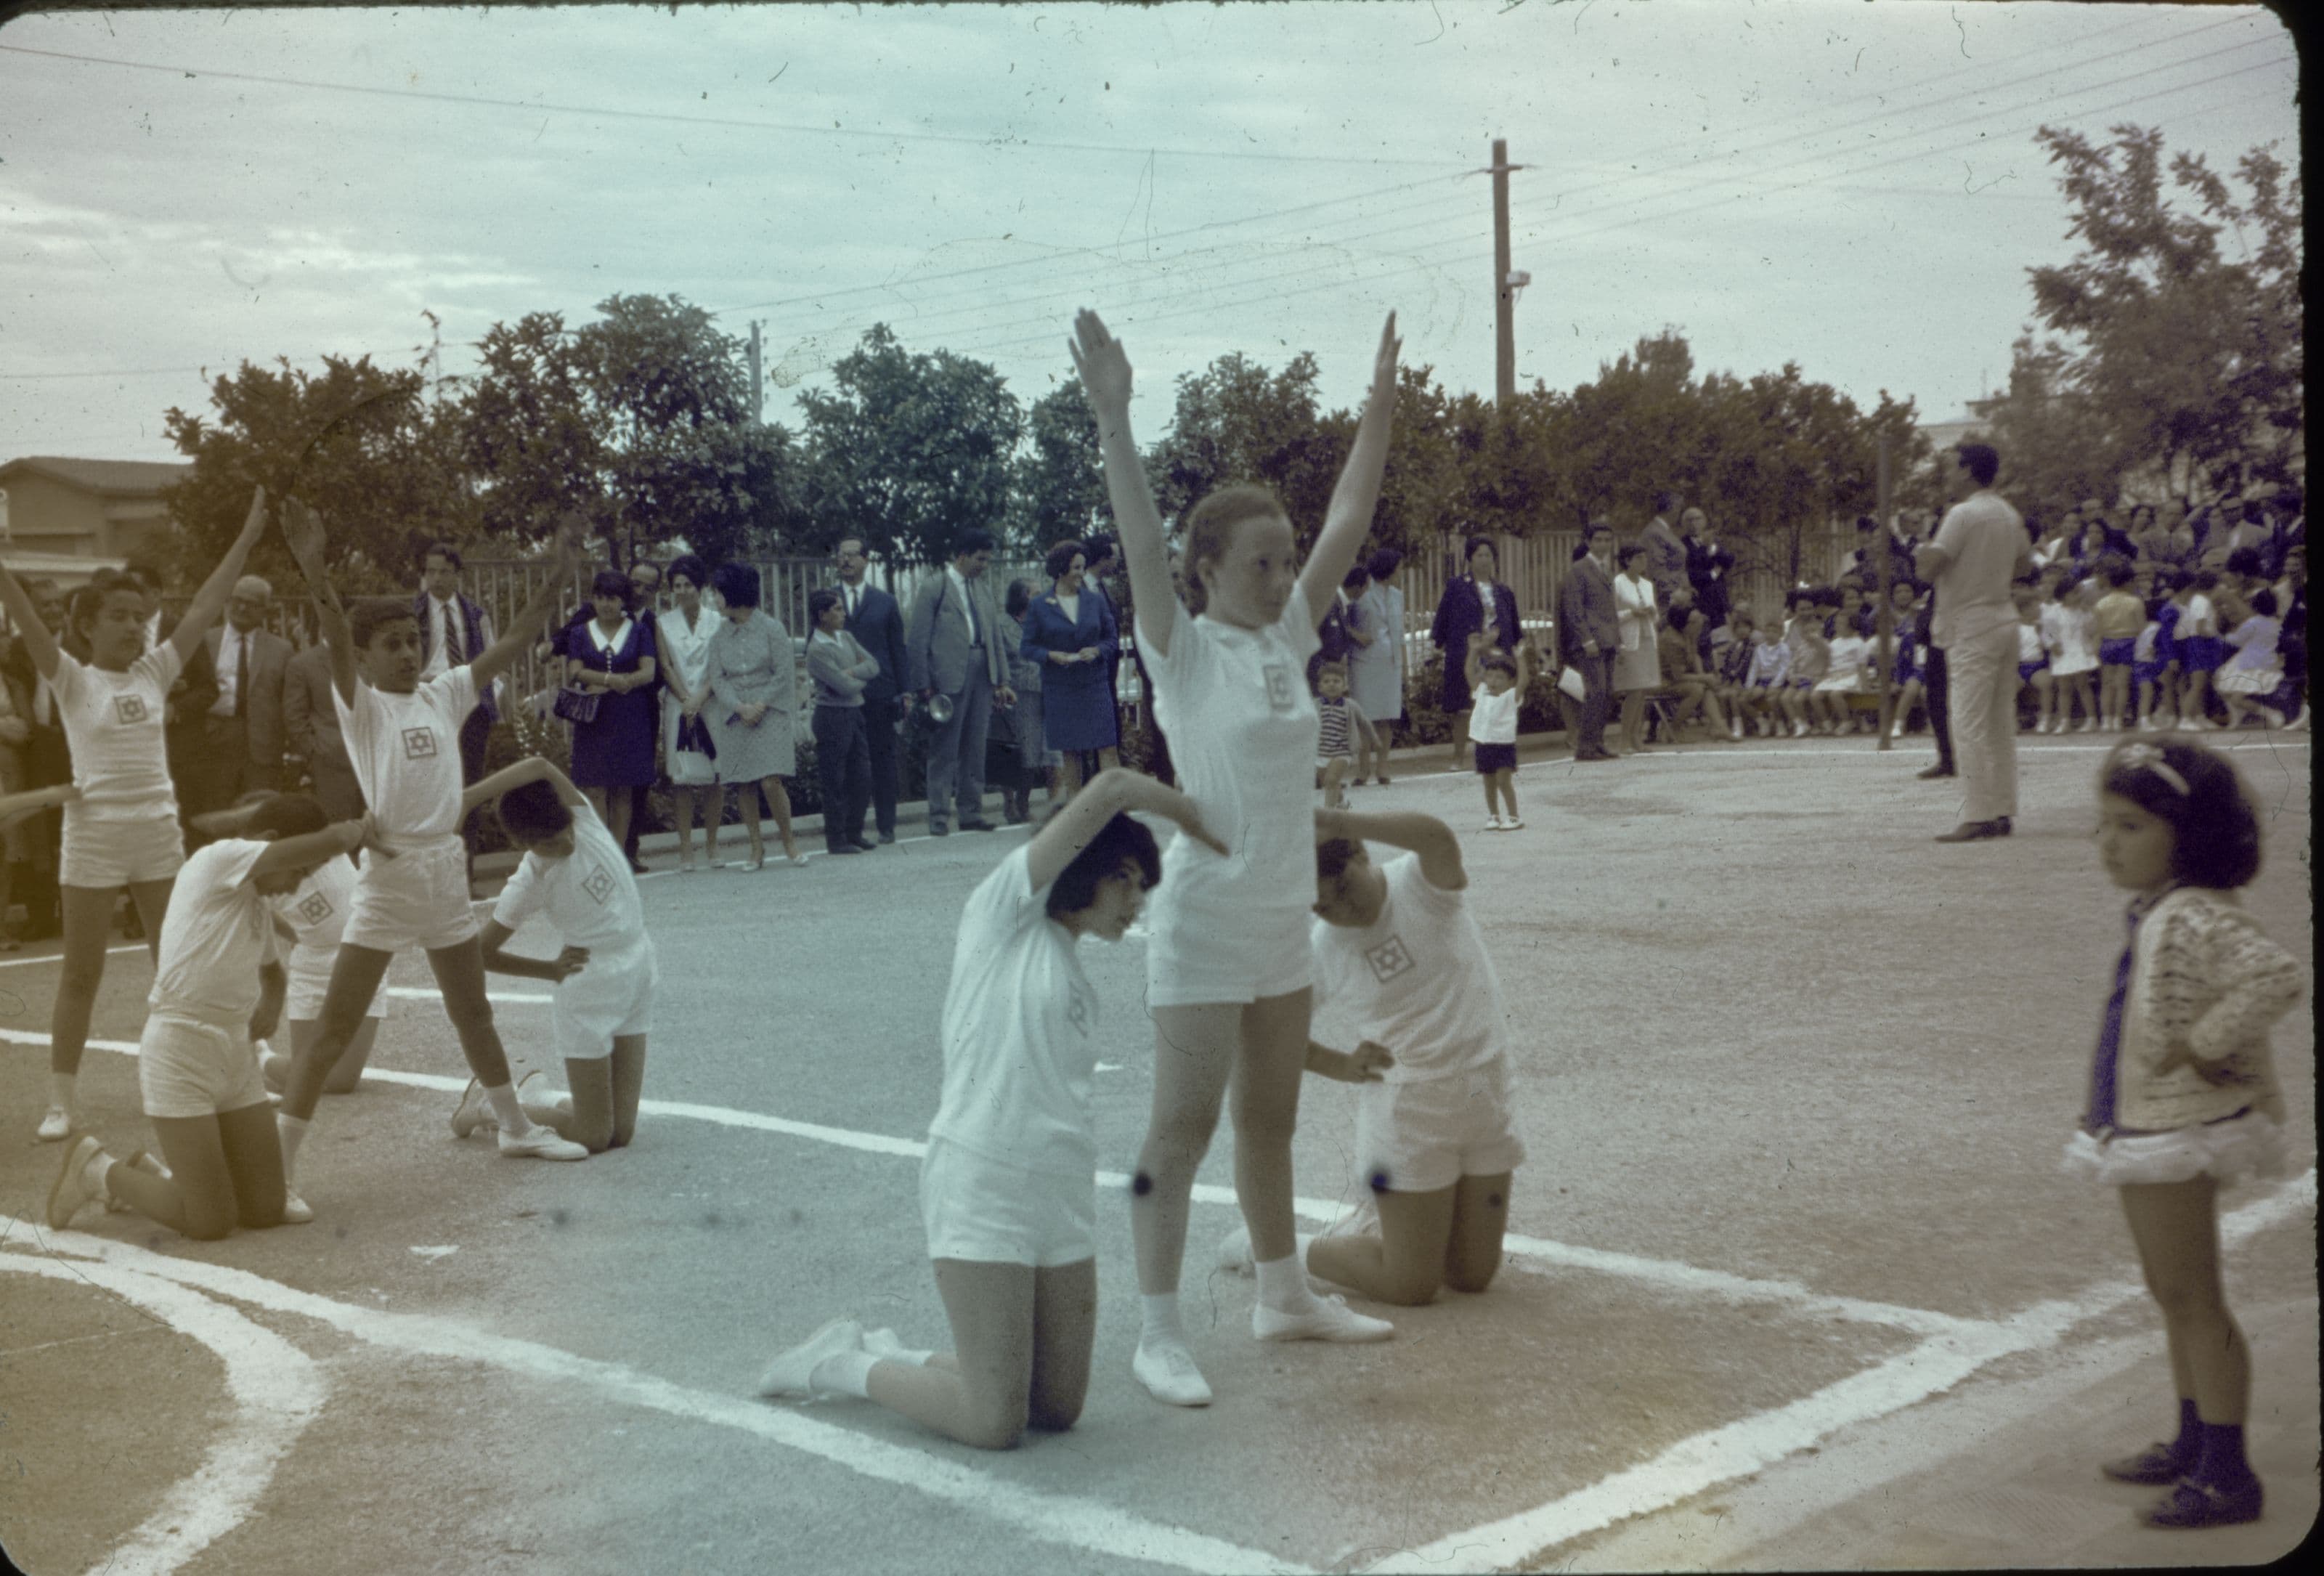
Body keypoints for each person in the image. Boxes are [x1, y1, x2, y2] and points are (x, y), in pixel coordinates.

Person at [1074, 306, 1402, 1409]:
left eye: (1282, 559)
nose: (1281, 576)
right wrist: (1116, 417)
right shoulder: (1182, 652)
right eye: (1260, 562)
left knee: (1273, 1122)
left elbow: (1350, 520)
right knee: (1182, 1124)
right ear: (1205, 569)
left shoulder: (1289, 639)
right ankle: (1157, 1329)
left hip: (1280, 923)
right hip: (1206, 920)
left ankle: (1283, 1292)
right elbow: (1133, 537)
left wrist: (1378, 411)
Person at [755, 770, 1224, 1447]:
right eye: (1124, 878)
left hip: (1059, 1195)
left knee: (1056, 1409)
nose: (1135, 902)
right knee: (993, 1421)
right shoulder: (1001, 916)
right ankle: (835, 1363)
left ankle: (901, 1354)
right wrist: (1194, 815)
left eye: (1143, 888)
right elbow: (1114, 786)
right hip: (983, 1183)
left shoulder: (1077, 979)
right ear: (1081, 862)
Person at [275, 497, 590, 1215]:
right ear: (362, 656)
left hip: (444, 869)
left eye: (412, 639)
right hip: (387, 880)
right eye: (390, 643)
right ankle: (280, 1166)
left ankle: (513, 1126)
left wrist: (557, 569)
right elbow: (328, 621)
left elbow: (513, 638)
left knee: (472, 1009)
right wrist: (314, 564)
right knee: (331, 1030)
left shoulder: (446, 692)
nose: (407, 651)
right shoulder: (361, 705)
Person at [2064, 738, 2303, 1530]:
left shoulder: (2193, 911)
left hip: (2175, 1131)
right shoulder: (2158, 908)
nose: (2106, 843)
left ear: (2185, 832)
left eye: (2128, 826)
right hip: (2143, 1127)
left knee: (2192, 1298)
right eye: (2102, 824)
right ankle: (2193, 1436)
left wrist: (2201, 1043)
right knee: (2172, 1293)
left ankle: (2226, 1471)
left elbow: (2276, 974)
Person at [5, 490, 270, 1141]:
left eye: (138, 616)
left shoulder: (155, 672)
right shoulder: (70, 679)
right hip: (93, 837)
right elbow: (25, 617)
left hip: (156, 835)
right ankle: (61, 1098)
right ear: (87, 626)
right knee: (81, 972)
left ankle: (218, 1067)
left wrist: (247, 535)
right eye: (117, 617)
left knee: (178, 960)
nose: (132, 626)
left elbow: (208, 600)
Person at [45, 792, 389, 1240]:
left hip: (235, 1058)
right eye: (300, 872)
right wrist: (359, 830)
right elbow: (310, 847)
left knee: (265, 1209)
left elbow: (273, 971)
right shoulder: (217, 860)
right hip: (180, 1053)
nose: (297, 885)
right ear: (267, 842)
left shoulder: (253, 903)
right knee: (211, 1222)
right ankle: (96, 1170)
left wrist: (272, 1001)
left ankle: (151, 1174)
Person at [1216, 807, 1524, 1307]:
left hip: (1484, 1091)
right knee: (1411, 1285)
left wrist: (1335, 820)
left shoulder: (1421, 885)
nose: (1342, 910)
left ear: (1359, 854)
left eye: (1342, 887)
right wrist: (1337, 1064)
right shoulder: (1325, 947)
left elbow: (1438, 836)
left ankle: (1369, 1226)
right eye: (1322, 907)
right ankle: (1275, 1250)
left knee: (1471, 1276)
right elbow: (1264, 1032)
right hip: (1409, 1114)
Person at [466, 756, 658, 1153]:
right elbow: (481, 952)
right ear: (524, 845)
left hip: (637, 968)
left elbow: (537, 765)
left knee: (621, 1134)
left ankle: (537, 1100)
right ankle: (494, 1110)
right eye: (550, 843)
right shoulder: (530, 879)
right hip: (590, 990)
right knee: (593, 1137)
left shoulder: (582, 817)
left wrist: (468, 798)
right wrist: (550, 970)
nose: (565, 843)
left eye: (563, 831)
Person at [1916, 443, 2032, 842]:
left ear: (1967, 471)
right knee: (2000, 721)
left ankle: (1980, 813)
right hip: (2003, 616)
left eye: (1952, 468)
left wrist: (1922, 551)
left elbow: (1930, 569)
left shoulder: (1962, 514)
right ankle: (2001, 810)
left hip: (1970, 622)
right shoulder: (2008, 512)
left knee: (1966, 721)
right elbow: (2025, 565)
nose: (1948, 475)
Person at [906, 531, 1015, 836]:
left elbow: (995, 636)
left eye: (988, 560)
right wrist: (924, 685)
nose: (984, 565)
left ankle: (971, 812)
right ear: (962, 555)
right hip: (947, 677)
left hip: (982, 673)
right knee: (945, 748)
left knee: (976, 746)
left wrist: (1002, 680)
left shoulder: (983, 589)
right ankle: (939, 816)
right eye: (980, 559)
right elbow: (918, 640)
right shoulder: (934, 587)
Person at [413, 540, 502, 893]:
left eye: (445, 572)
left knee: (468, 789)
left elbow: (493, 659)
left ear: (458, 575)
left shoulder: (476, 615)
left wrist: (490, 697)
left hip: (467, 704)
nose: (437, 579)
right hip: (426, 700)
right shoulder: (412, 612)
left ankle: (464, 877)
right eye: (431, 571)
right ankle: (431, 880)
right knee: (428, 789)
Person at [704, 561, 805, 870]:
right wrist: (739, 707)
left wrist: (760, 705)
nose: (716, 601)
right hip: (736, 714)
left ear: (735, 593)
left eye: (719, 594)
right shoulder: (719, 637)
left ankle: (789, 842)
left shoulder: (773, 629)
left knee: (771, 780)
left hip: (769, 712)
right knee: (744, 783)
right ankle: (756, 848)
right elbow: (718, 678)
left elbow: (783, 673)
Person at [562, 569, 661, 853]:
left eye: (613, 598)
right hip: (594, 717)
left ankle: (617, 856)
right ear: (593, 599)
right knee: (594, 788)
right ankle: (600, 853)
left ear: (623, 601)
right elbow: (575, 671)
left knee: (623, 789)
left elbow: (649, 671)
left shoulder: (639, 631)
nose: (607, 604)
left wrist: (624, 682)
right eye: (601, 597)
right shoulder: (581, 632)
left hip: (630, 715)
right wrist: (608, 679)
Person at [1021, 539, 1123, 795]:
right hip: (1062, 688)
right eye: (1076, 568)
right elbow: (1028, 647)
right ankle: (1076, 809)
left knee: (1107, 747)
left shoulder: (1095, 601)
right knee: (1071, 751)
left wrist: (1098, 651)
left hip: (1094, 684)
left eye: (1082, 567)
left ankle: (1116, 806)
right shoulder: (1039, 605)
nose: (1081, 573)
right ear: (1060, 569)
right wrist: (1051, 655)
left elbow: (1112, 639)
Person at [187, 574, 293, 813]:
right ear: (227, 602)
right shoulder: (204, 641)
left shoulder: (282, 649)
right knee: (215, 810)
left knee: (260, 813)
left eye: (252, 603)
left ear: (265, 610)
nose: (242, 607)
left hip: (263, 746)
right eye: (237, 600)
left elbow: (288, 701)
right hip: (215, 739)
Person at [834, 537, 912, 844]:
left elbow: (898, 650)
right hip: (842, 693)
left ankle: (886, 826)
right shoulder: (828, 600)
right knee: (847, 761)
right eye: (841, 555)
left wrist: (905, 691)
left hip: (879, 692)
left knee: (882, 760)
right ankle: (851, 828)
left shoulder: (885, 602)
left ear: (866, 560)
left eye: (852, 555)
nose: (846, 561)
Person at [654, 555, 724, 872]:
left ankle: (712, 847)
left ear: (700, 587)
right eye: (676, 586)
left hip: (711, 703)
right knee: (681, 778)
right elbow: (666, 665)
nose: (682, 591)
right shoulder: (663, 623)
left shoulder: (718, 621)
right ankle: (686, 851)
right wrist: (685, 699)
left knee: (714, 776)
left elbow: (719, 666)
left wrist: (700, 697)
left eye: (688, 585)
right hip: (678, 705)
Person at [1429, 535, 1520, 772]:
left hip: (1497, 655)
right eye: (1479, 555)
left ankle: (1497, 753)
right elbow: (1444, 617)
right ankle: (1458, 756)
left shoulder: (1503, 590)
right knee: (1463, 706)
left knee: (1498, 703)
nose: (1484, 560)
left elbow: (1513, 623)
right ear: (1470, 558)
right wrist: (1438, 644)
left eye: (1488, 555)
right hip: (1467, 652)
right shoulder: (1458, 586)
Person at [804, 587, 881, 853]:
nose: (843, 613)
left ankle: (854, 831)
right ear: (822, 615)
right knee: (834, 779)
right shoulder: (817, 649)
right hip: (832, 716)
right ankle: (837, 838)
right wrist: (855, 679)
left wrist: (850, 673)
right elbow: (843, 686)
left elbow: (874, 665)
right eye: (837, 609)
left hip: (854, 713)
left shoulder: (846, 638)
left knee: (862, 776)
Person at [1558, 522, 1620, 761]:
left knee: (1607, 693)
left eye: (1607, 539)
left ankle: (1598, 741)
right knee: (1596, 692)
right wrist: (1586, 639)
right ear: (1589, 542)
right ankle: (1585, 745)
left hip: (1608, 639)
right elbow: (1574, 609)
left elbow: (1609, 608)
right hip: (1592, 641)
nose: (1604, 544)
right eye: (1599, 540)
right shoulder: (1579, 570)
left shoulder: (1606, 569)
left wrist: (1617, 638)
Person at [283, 638, 364, 821]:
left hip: (376, 757)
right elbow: (295, 717)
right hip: (332, 762)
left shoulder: (369, 656)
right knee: (341, 827)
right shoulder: (303, 664)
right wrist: (316, 750)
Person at [999, 579, 1058, 825]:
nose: (1041, 596)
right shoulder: (1003, 625)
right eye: (1035, 593)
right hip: (1020, 694)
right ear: (1022, 597)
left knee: (1051, 753)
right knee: (1025, 755)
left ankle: (1051, 806)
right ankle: (1014, 802)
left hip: (1050, 690)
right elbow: (1000, 657)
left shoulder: (1045, 620)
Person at [1351, 548, 1406, 782]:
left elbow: (1400, 632)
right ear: (1388, 569)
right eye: (1399, 568)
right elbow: (1350, 625)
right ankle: (1363, 769)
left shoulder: (1397, 596)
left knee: (1387, 717)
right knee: (1366, 717)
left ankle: (1383, 766)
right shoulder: (1363, 594)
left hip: (1390, 662)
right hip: (1365, 663)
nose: (1401, 573)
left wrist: (1404, 665)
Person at [1464, 638, 1527, 829]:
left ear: (1510, 681)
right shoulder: (1481, 691)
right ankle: (1493, 815)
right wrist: (1473, 651)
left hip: (1503, 745)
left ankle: (1514, 817)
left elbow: (1524, 680)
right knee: (1488, 782)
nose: (1493, 681)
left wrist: (1520, 658)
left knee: (1503, 781)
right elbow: (1469, 672)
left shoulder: (1511, 696)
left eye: (1500, 677)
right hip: (1483, 744)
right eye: (1490, 676)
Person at [1609, 545, 1661, 754]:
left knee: (1642, 691)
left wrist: (1651, 612)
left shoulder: (1648, 584)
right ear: (1628, 560)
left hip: (1648, 639)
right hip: (1629, 641)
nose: (1643, 562)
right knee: (1633, 690)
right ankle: (1624, 739)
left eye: (1644, 558)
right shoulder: (1618, 584)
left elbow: (1655, 616)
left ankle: (1636, 737)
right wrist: (1633, 613)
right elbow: (1612, 616)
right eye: (1638, 558)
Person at [2214, 588, 2285, 730]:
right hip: (2265, 662)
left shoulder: (2254, 622)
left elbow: (2236, 640)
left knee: (2234, 697)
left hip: (2250, 664)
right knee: (2223, 687)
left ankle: (2271, 714)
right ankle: (2237, 717)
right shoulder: (2276, 622)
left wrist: (2221, 635)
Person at [2092, 555, 2145, 732]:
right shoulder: (2135, 602)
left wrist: (2096, 649)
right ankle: (2117, 719)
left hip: (2107, 642)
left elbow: (2098, 630)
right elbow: (2141, 628)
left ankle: (2106, 720)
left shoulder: (2101, 603)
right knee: (2122, 683)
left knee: (2107, 684)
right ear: (2128, 582)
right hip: (2127, 642)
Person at [2042, 577, 2100, 734]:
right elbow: (2047, 633)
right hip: (2062, 652)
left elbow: (2092, 630)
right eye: (2074, 593)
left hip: (2080, 651)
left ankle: (2091, 720)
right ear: (2064, 595)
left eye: (2079, 592)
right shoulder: (2053, 613)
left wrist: (2088, 614)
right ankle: (2064, 721)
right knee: (2064, 688)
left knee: (2083, 685)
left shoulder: (2084, 612)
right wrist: (2052, 645)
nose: (2078, 596)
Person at [1312, 659, 1365, 811]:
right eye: (1326, 681)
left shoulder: (1349, 706)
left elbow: (1363, 723)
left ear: (1345, 685)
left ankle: (1329, 811)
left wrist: (1371, 738)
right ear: (1320, 687)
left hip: (1342, 751)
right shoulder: (1315, 705)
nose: (1331, 684)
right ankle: (1341, 803)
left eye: (1336, 681)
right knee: (1328, 782)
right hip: (1321, 752)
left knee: (1331, 779)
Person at [2174, 571, 2225, 730]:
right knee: (2197, 684)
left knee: (2200, 684)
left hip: (2198, 643)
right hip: (2201, 643)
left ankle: (2200, 717)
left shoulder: (2197, 600)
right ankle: (2185, 719)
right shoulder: (2202, 601)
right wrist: (2217, 636)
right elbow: (2200, 628)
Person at [1681, 507, 1735, 630]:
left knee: (1720, 639)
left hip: (1719, 601)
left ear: (1704, 521)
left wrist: (1713, 549)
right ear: (1684, 524)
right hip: (1698, 602)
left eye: (1698, 519)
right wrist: (1712, 574)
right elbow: (1688, 574)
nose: (1694, 523)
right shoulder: (1681, 545)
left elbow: (1729, 561)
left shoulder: (1714, 541)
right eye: (1690, 520)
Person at [1638, 490, 1689, 609]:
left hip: (1677, 594)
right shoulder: (1654, 532)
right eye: (1679, 508)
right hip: (1666, 600)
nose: (1680, 512)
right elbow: (1657, 570)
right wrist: (1675, 594)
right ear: (1670, 508)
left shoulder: (1665, 531)